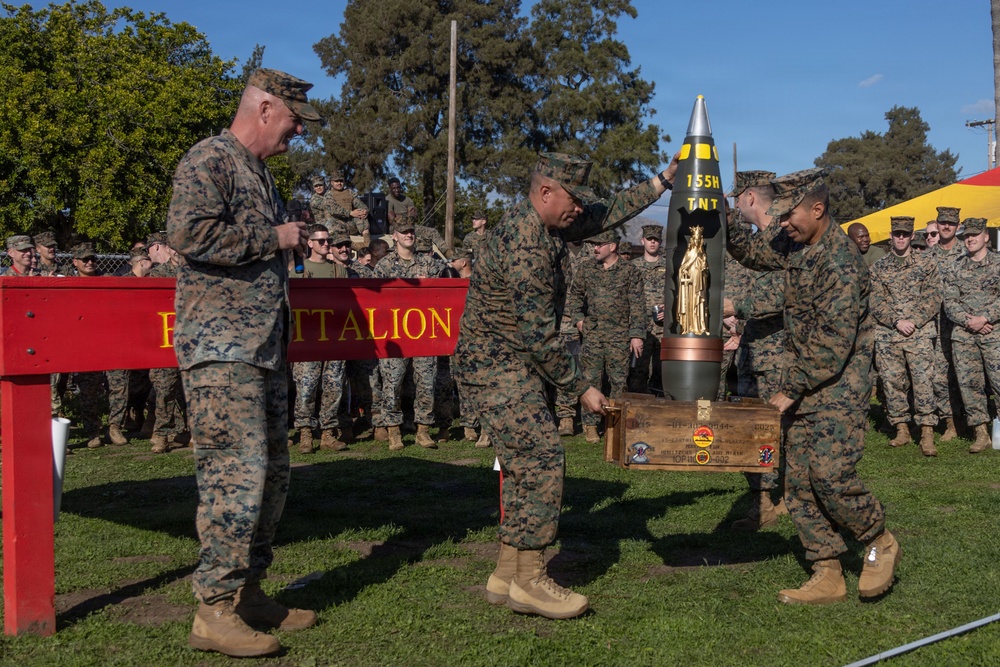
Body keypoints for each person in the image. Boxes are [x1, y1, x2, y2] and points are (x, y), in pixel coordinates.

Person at [456, 151, 676, 620]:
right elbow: (539, 336)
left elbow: (605, 213)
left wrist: (662, 180)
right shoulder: (525, 242)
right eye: (573, 201)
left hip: (509, 364)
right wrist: (581, 387)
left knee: (520, 464)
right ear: (546, 192)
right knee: (541, 459)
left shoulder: (549, 224)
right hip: (497, 365)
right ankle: (532, 582)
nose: (580, 211)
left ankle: (507, 571)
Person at [166, 67, 319, 657]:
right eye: (294, 120)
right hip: (221, 350)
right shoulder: (210, 159)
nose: (298, 132)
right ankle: (214, 609)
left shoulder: (257, 173)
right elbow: (189, 233)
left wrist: (283, 235)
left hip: (260, 350)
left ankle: (249, 593)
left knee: (272, 475)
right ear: (263, 109)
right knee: (236, 476)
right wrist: (275, 238)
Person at [728, 168, 900, 605]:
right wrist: (720, 216)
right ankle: (827, 571)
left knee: (830, 475)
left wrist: (789, 389)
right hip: (802, 381)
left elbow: (834, 341)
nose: (783, 224)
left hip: (838, 386)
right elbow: (751, 250)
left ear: (818, 209)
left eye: (791, 216)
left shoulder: (840, 259)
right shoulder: (794, 243)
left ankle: (878, 538)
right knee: (800, 481)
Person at [725, 170, 787, 531]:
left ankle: (788, 499)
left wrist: (738, 307)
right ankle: (762, 502)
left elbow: (782, 294)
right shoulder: (756, 243)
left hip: (777, 354)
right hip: (752, 350)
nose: (735, 205)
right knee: (752, 430)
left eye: (737, 199)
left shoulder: (782, 239)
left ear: (750, 198)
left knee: (777, 430)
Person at [869, 216, 943, 456]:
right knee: (892, 383)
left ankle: (927, 433)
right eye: (896, 233)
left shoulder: (926, 263)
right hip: (890, 334)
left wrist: (914, 321)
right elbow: (874, 300)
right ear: (890, 236)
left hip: (919, 334)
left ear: (912, 236)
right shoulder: (879, 267)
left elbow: (933, 296)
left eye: (905, 233)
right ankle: (901, 429)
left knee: (923, 383)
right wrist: (896, 321)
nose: (900, 237)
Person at [566, 229, 646, 444]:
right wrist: (578, 319)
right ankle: (590, 426)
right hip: (593, 335)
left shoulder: (629, 271)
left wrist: (636, 335)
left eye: (599, 244)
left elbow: (638, 305)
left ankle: (614, 425)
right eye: (594, 244)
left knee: (619, 382)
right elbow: (574, 296)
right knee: (591, 381)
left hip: (619, 336)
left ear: (613, 246)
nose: (595, 248)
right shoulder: (586, 269)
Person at [373, 216, 444, 450]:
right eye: (404, 232)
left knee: (426, 381)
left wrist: (428, 286)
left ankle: (423, 430)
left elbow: (444, 295)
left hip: (423, 333)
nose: (409, 235)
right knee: (392, 383)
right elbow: (375, 299)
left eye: (411, 231)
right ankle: (393, 432)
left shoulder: (429, 264)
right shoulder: (383, 266)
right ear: (394, 236)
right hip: (395, 334)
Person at [291, 224, 353, 453]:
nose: (326, 244)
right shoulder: (297, 270)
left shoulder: (339, 271)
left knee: (334, 387)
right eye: (321, 241)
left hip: (334, 339)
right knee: (306, 388)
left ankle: (328, 432)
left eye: (328, 240)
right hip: (307, 341)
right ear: (310, 244)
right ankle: (305, 433)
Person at [941, 217, 1000, 453]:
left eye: (975, 235)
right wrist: (970, 321)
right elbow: (950, 302)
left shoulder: (998, 263)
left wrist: (985, 317)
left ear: (986, 237)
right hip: (964, 336)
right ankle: (981, 433)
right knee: (970, 385)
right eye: (966, 236)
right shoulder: (956, 266)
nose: (970, 239)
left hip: (994, 333)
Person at [928, 207, 963, 440]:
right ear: (938, 225)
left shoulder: (968, 251)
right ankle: (951, 423)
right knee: (940, 377)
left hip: (964, 325)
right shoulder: (927, 258)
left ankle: (976, 421)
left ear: (958, 226)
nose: (947, 226)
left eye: (951, 223)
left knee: (970, 375)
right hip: (938, 325)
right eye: (943, 223)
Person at [627, 224, 667, 395]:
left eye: (656, 240)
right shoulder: (632, 268)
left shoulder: (670, 267)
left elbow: (679, 294)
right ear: (642, 241)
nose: (652, 242)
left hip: (663, 328)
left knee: (661, 372)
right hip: (640, 328)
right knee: (638, 372)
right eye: (649, 239)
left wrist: (670, 308)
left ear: (660, 243)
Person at [325, 169, 370, 245]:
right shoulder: (328, 195)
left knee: (361, 215)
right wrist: (350, 213)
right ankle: (353, 245)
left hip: (350, 223)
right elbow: (334, 210)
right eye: (336, 181)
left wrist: (364, 211)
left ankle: (367, 242)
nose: (339, 183)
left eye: (341, 181)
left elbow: (360, 204)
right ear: (332, 183)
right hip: (336, 223)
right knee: (330, 224)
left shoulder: (350, 192)